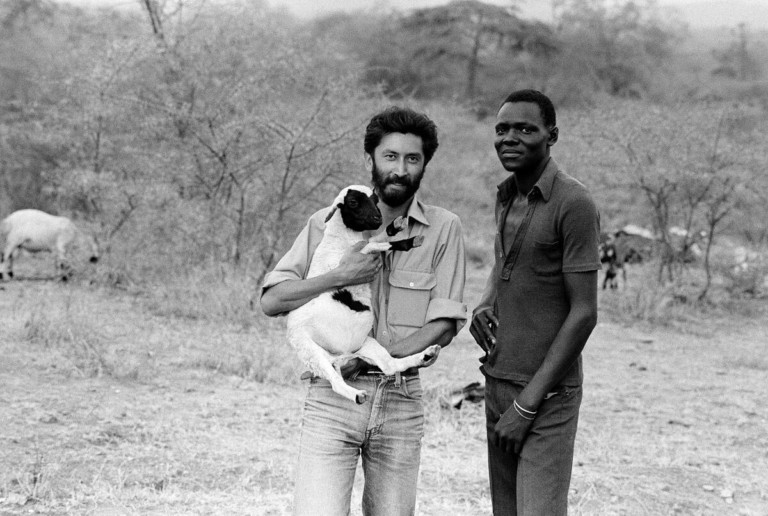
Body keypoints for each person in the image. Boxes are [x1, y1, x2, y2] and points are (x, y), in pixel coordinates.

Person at [261, 106, 467, 516]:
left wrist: (368, 359)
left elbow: (444, 325)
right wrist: (339, 276)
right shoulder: (327, 221)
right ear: (370, 159)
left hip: (401, 398)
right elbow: (273, 300)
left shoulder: (444, 228)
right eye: (390, 156)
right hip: (331, 400)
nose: (400, 170)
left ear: (425, 164)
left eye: (412, 159)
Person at [469, 89, 600, 515]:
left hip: (546, 395)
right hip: (497, 381)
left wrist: (527, 405)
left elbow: (585, 313)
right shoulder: (507, 194)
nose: (510, 138)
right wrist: (485, 303)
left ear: (552, 136)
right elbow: (505, 262)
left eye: (525, 129)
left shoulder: (574, 203)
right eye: (502, 129)